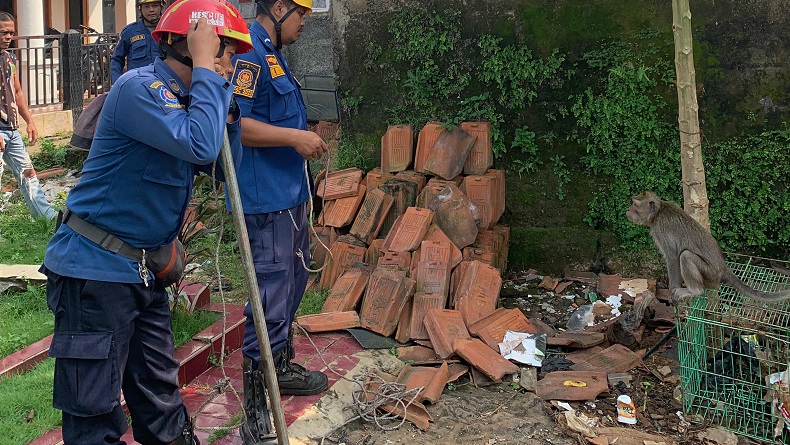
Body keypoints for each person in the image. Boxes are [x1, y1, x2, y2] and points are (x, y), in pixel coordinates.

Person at [40, 0, 252, 443]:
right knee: (95, 417)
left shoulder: (193, 101)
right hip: (95, 274)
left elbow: (217, 162)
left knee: (159, 400)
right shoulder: (141, 88)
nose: (231, 67)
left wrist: (221, 103)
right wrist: (209, 75)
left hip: (143, 273)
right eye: (225, 52)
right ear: (191, 47)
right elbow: (198, 146)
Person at [229, 0, 328, 443]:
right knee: (269, 296)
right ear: (281, 7)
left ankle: (281, 368)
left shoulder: (274, 54)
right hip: (264, 200)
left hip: (290, 195)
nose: (305, 23)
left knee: (291, 286)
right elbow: (237, 124)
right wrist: (296, 137)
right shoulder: (249, 54)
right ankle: (254, 412)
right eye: (303, 14)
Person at [0, 12, 56, 220]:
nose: (8, 37)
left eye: (11, 33)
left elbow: (18, 92)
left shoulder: (10, 58)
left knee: (28, 174)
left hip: (11, 129)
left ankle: (46, 218)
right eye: (4, 32)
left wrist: (30, 121)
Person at [110, 0, 166, 83]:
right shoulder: (129, 31)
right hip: (138, 84)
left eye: (155, 5)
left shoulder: (168, 30)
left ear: (161, 7)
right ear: (140, 9)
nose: (151, 10)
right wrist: (118, 83)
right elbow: (117, 59)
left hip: (165, 83)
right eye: (146, 6)